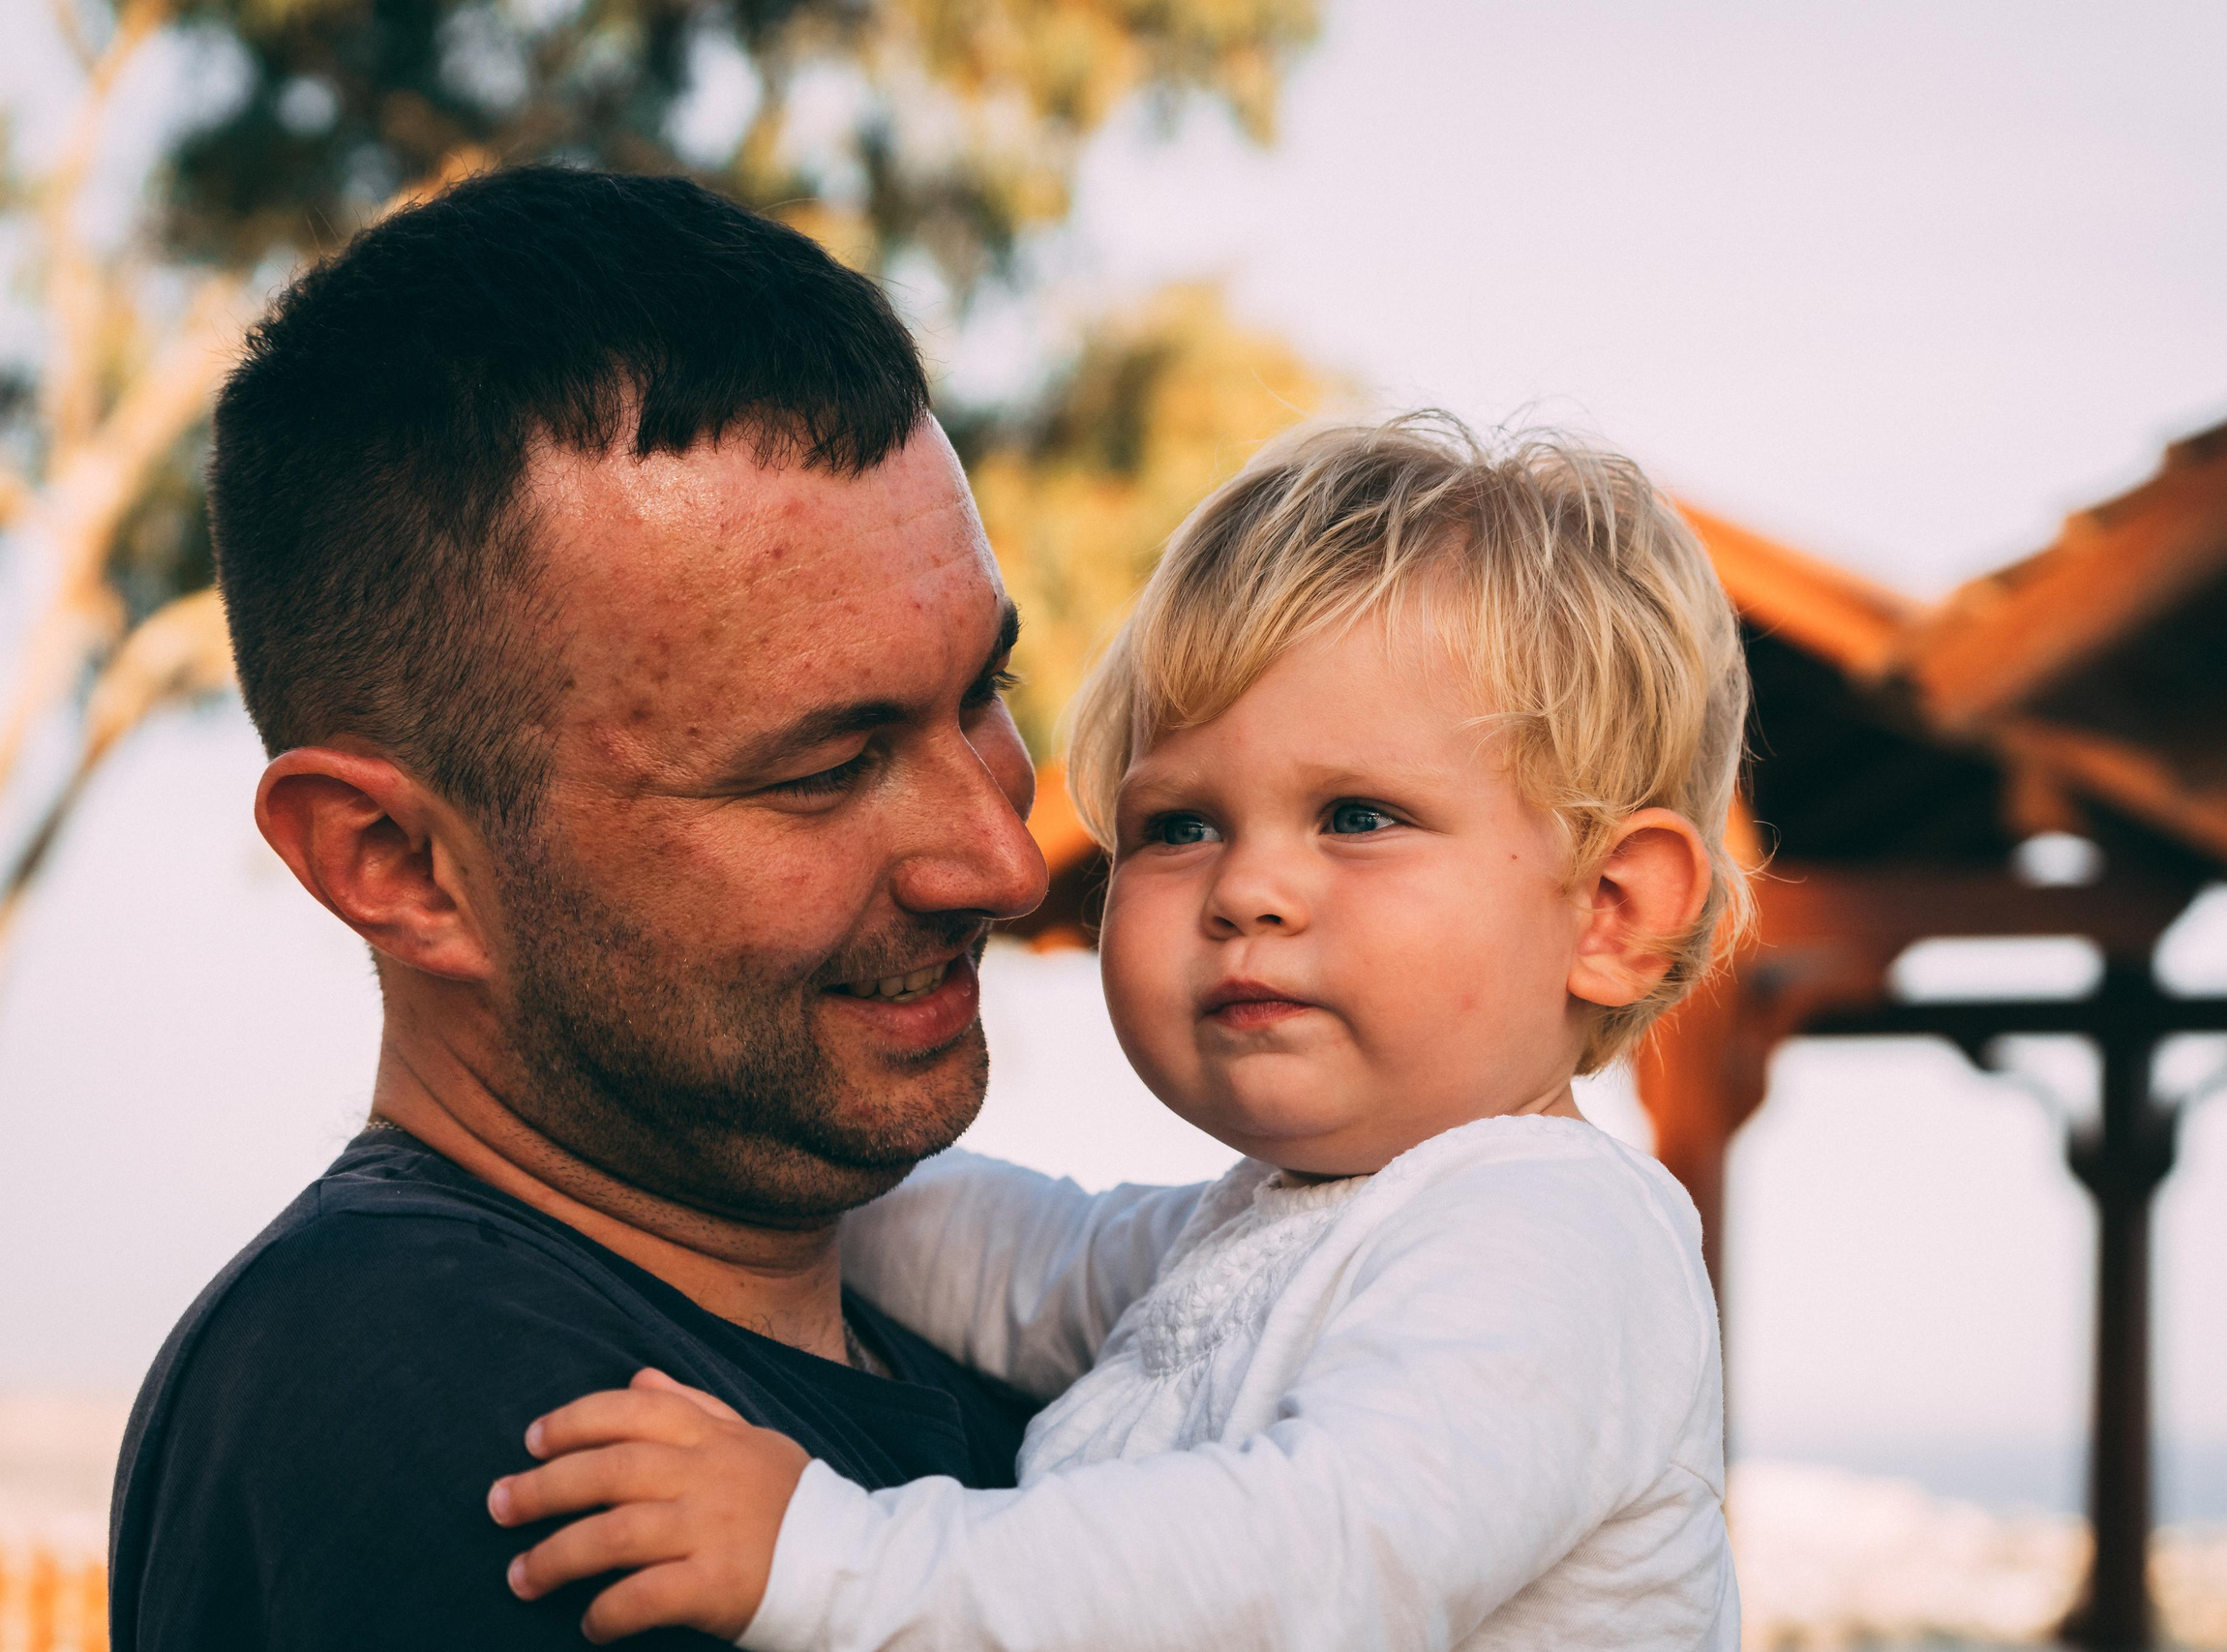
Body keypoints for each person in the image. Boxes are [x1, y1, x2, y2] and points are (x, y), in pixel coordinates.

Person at [491, 416, 1752, 1650]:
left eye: (1359, 817)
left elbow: (1305, 1570)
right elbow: (1011, 1261)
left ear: (1612, 912)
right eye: (1178, 826)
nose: (1247, 889)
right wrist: (683, 1141)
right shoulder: (1281, 1222)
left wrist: (832, 1562)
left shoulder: (1560, 1243)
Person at [108, 165, 1054, 1650]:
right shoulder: (446, 1413)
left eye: (982, 694)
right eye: (824, 768)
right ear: (393, 864)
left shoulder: (1006, 1336)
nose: (1000, 859)